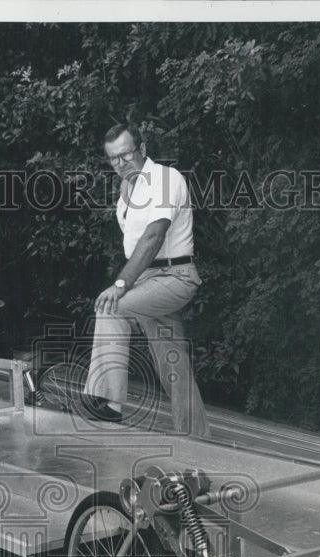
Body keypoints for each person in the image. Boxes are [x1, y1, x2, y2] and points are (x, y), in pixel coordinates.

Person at [83, 123, 210, 437]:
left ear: (142, 149)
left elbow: (154, 236)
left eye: (126, 154)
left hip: (174, 276)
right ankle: (196, 436)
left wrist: (121, 285)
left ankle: (109, 403)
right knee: (173, 361)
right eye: (114, 159)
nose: (121, 163)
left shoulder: (165, 179)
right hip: (149, 280)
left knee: (111, 307)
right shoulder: (128, 190)